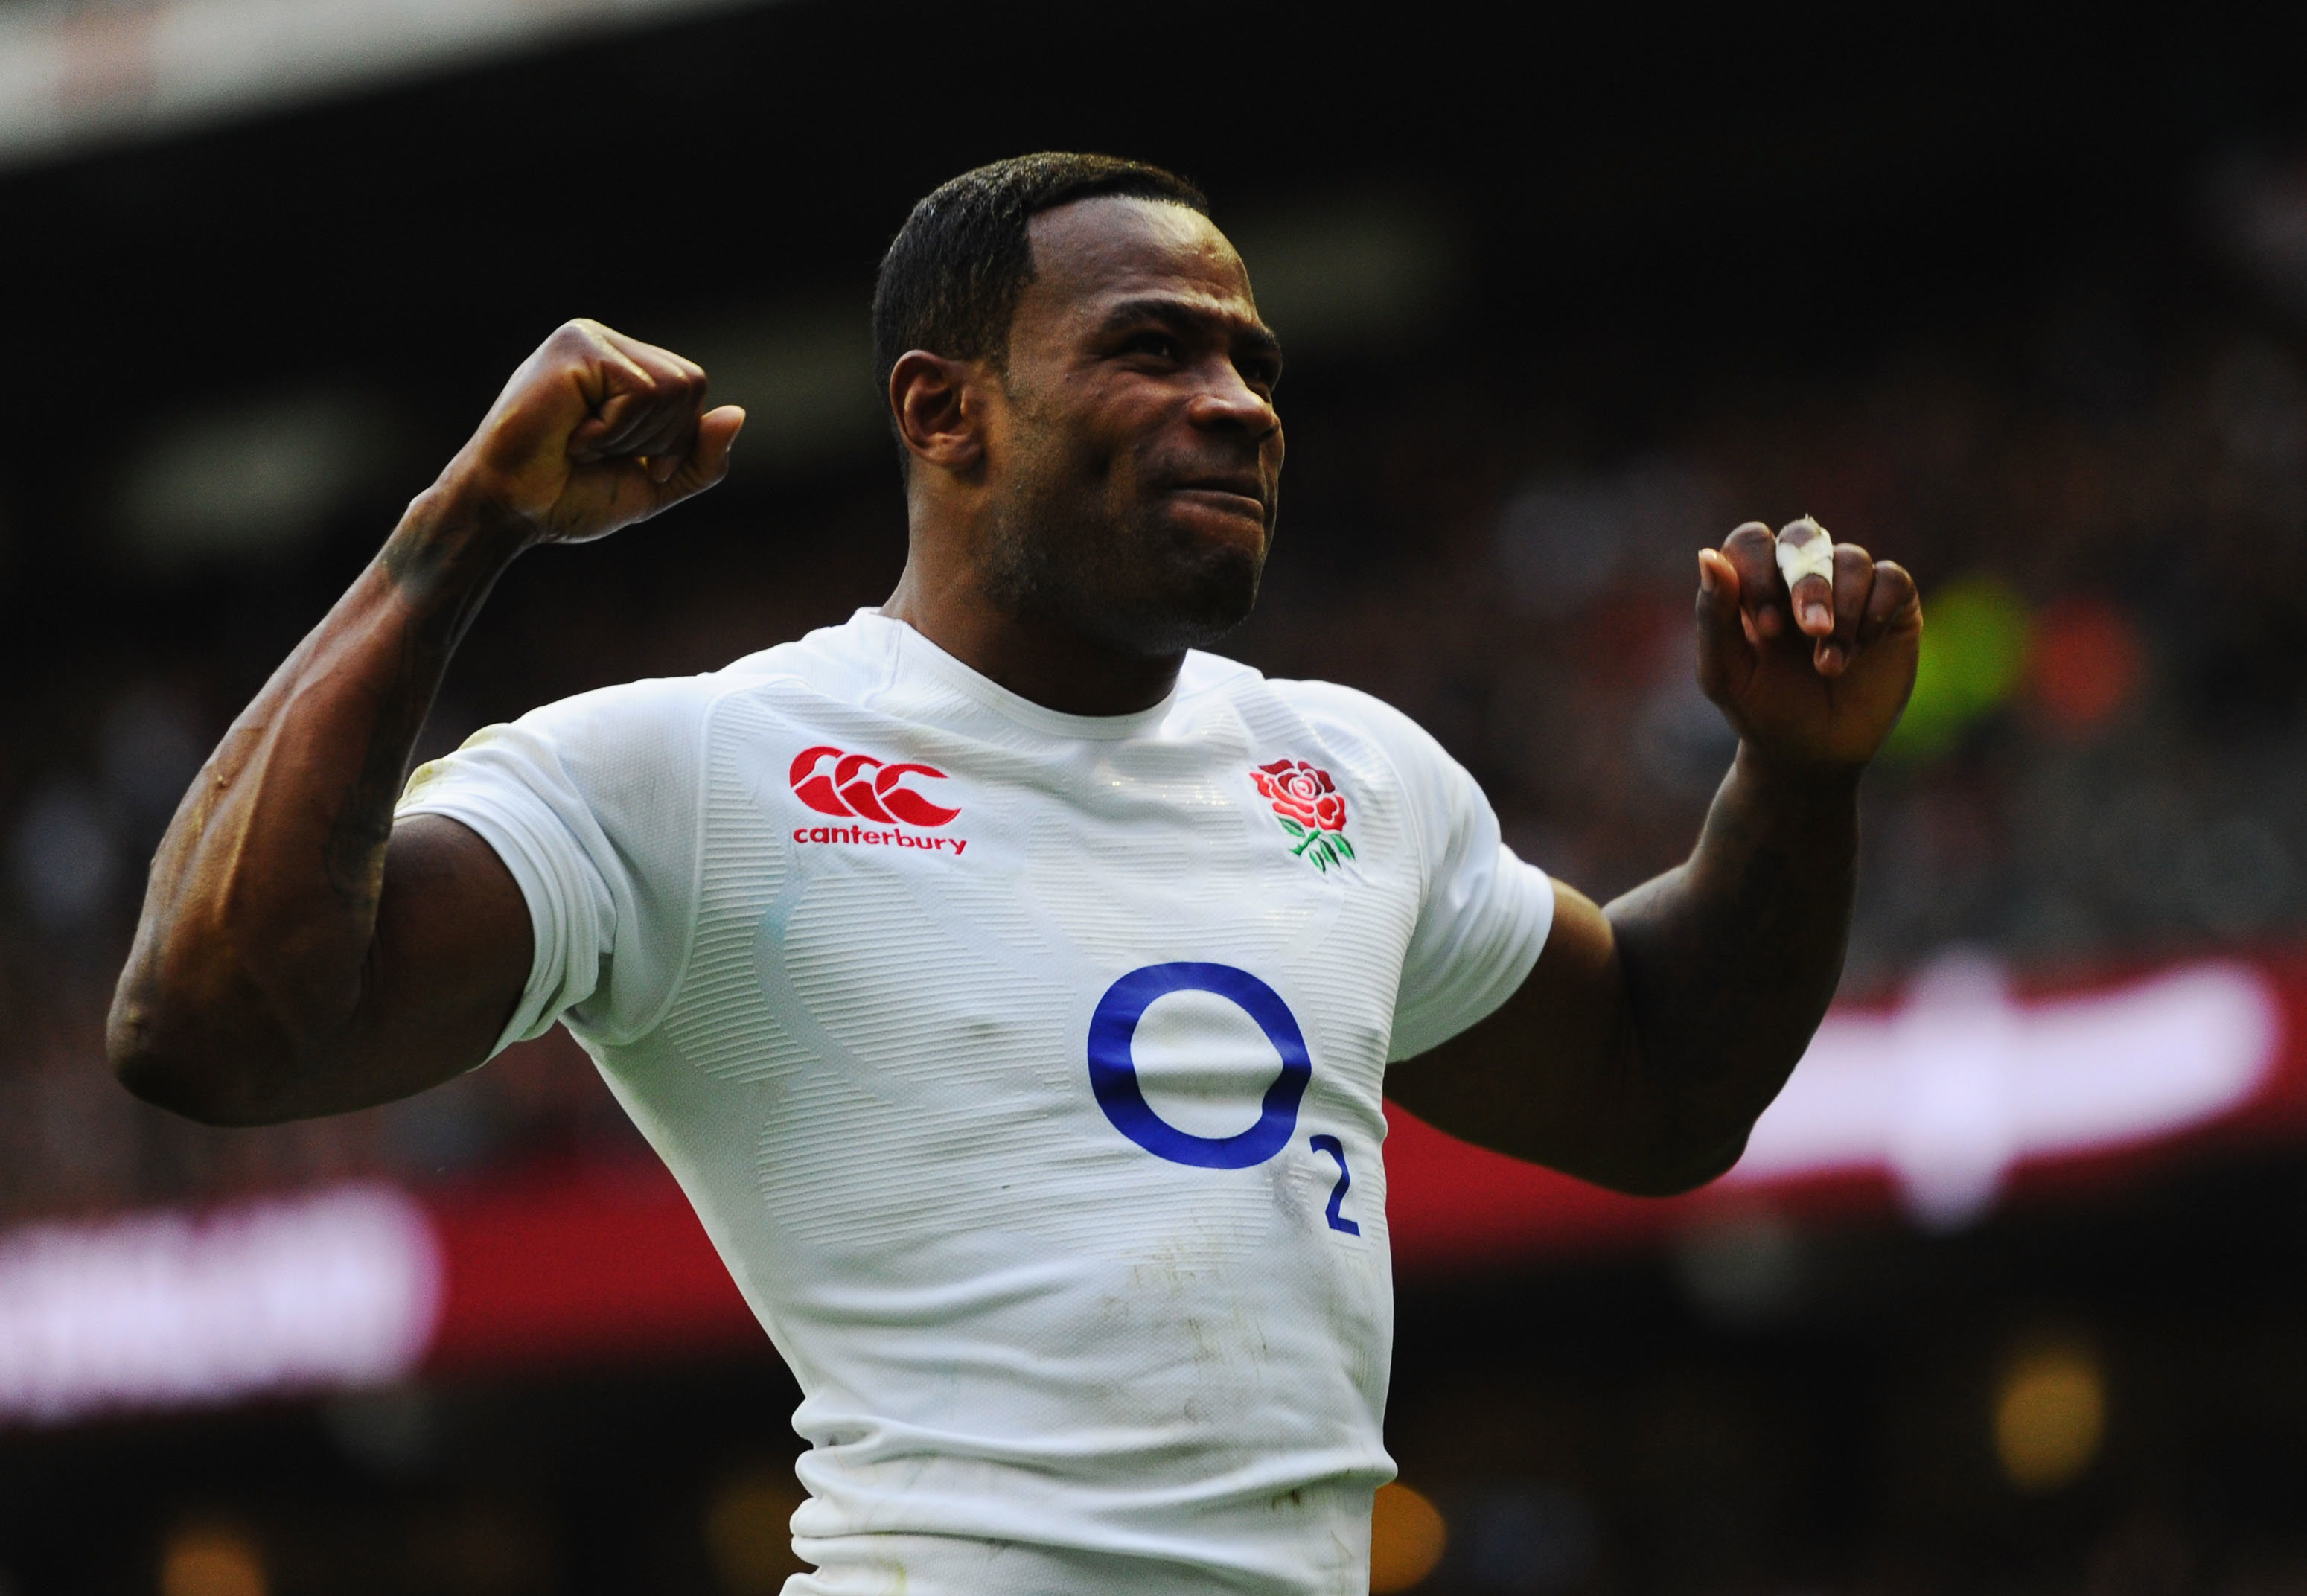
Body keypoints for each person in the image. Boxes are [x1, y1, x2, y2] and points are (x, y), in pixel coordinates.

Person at [109, 153, 1921, 1595]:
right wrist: (460, 533)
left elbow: (1658, 1084)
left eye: (1251, 364)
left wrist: (1796, 772)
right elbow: (213, 1027)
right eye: (1152, 348)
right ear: (941, 410)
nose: (1236, 404)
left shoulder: (1350, 772)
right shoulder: (705, 765)